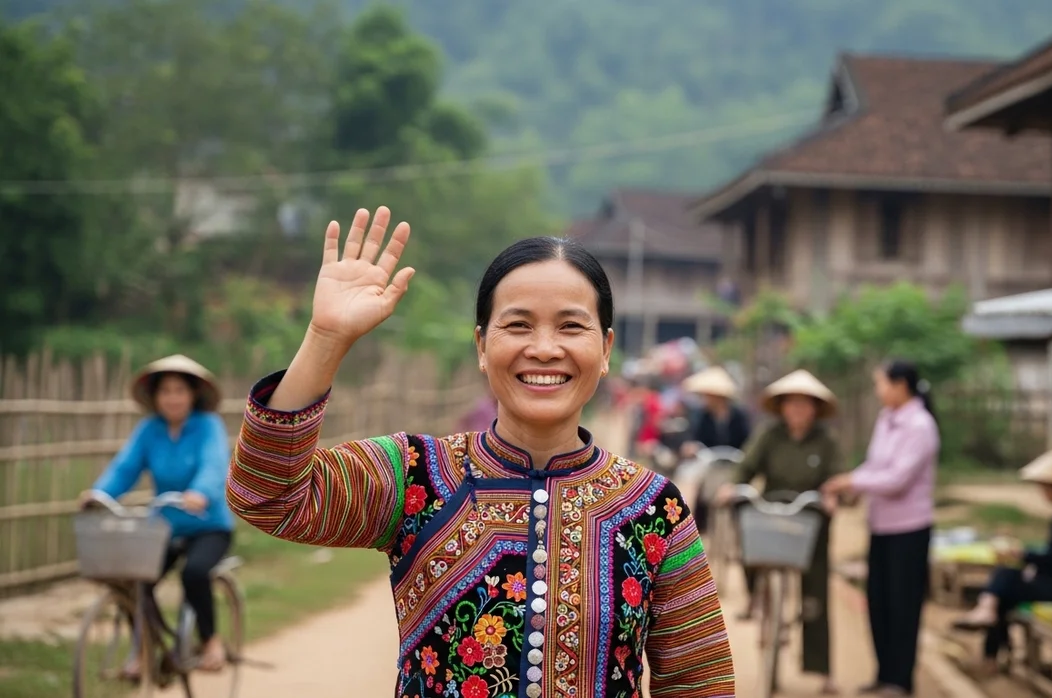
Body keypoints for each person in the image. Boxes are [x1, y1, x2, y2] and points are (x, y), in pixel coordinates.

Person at [225, 207, 735, 697]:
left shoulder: (654, 509)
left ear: (604, 350)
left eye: (571, 326)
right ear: (481, 346)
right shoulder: (415, 476)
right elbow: (266, 495)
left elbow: (700, 683)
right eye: (517, 325)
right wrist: (326, 338)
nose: (543, 348)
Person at [80, 354, 234, 674]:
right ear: (155, 397)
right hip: (164, 527)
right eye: (165, 391)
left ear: (193, 395)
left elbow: (213, 464)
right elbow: (125, 468)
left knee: (194, 574)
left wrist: (200, 493)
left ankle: (210, 641)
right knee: (136, 582)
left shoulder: (208, 426)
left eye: (179, 390)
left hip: (210, 526)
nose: (172, 398)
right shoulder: (149, 430)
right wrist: (99, 494)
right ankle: (145, 649)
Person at [719, 369, 843, 695]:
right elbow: (746, 466)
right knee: (745, 521)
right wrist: (733, 486)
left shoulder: (826, 441)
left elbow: (836, 478)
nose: (798, 411)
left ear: (815, 409)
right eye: (792, 404)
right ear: (783, 407)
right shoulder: (769, 435)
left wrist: (832, 495)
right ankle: (756, 595)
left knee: (816, 592)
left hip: (809, 516)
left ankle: (822, 669)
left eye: (805, 405)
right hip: (772, 511)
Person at [822, 360, 938, 697]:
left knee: (904, 604)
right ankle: (884, 672)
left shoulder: (921, 425)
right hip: (881, 526)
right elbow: (875, 465)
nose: (878, 391)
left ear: (900, 385)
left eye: (881, 384)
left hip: (910, 529)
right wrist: (853, 487)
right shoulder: (887, 419)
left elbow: (897, 479)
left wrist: (851, 480)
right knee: (879, 601)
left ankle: (901, 680)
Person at [952, 448, 1052, 676]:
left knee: (1005, 579)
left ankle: (987, 620)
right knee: (1004, 591)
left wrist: (1023, 556)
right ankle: (990, 635)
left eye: (1045, 485)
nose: (1042, 490)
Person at [680, 366, 752, 535]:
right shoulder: (702, 416)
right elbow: (694, 438)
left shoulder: (739, 416)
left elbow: (748, 442)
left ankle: (742, 534)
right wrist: (691, 447)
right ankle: (700, 532)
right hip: (711, 464)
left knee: (741, 495)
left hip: (735, 463)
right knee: (702, 492)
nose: (706, 399)